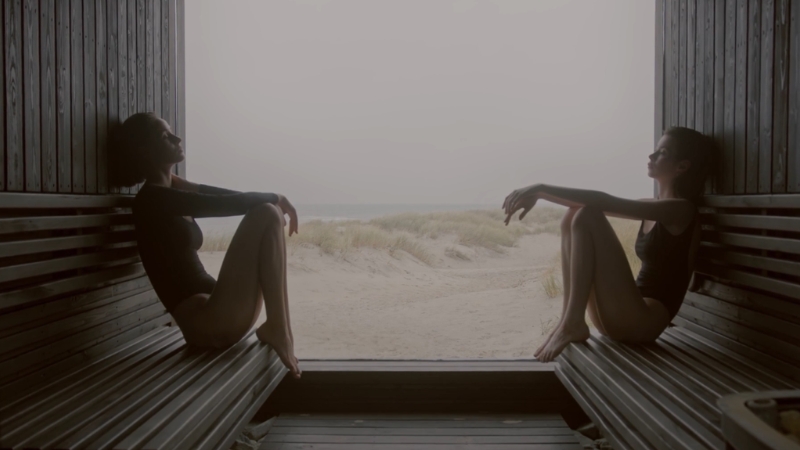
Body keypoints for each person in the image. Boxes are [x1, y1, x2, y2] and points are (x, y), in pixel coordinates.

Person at [112, 112, 301, 378]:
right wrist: (277, 197)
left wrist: (274, 199)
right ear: (144, 151)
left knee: (270, 212)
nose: (177, 138)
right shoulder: (152, 199)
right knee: (268, 212)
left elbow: (228, 196)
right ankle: (280, 329)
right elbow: (225, 205)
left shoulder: (173, 187)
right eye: (165, 136)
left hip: (221, 312)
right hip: (207, 325)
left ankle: (281, 329)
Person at [502, 126, 714, 363]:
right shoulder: (656, 207)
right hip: (624, 313)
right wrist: (540, 195)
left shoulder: (681, 210)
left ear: (682, 167)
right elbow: (590, 203)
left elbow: (603, 201)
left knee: (587, 214)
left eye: (662, 152)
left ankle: (572, 322)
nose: (651, 157)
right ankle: (568, 320)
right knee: (573, 215)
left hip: (644, 322)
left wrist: (540, 189)